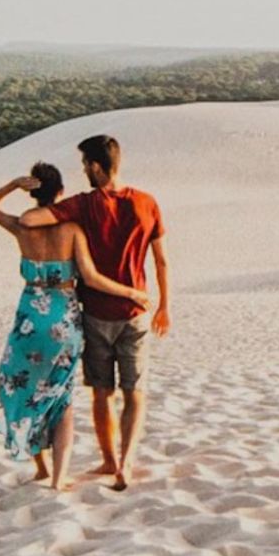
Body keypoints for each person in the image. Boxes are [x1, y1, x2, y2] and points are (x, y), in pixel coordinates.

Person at [0, 162, 152, 491]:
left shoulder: (22, 228)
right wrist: (131, 292)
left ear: (33, 192)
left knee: (27, 391)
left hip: (29, 320)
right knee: (62, 399)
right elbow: (91, 277)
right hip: (64, 318)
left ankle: (41, 468)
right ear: (60, 193)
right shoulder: (72, 229)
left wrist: (13, 184)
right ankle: (58, 479)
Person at [20, 135, 170, 491]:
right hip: (136, 311)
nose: (84, 171)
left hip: (96, 314)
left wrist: (22, 188)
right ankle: (128, 463)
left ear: (97, 166)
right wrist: (165, 304)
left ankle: (109, 459)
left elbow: (29, 219)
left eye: (86, 164)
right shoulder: (147, 203)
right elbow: (161, 259)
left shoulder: (83, 206)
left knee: (102, 391)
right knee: (135, 391)